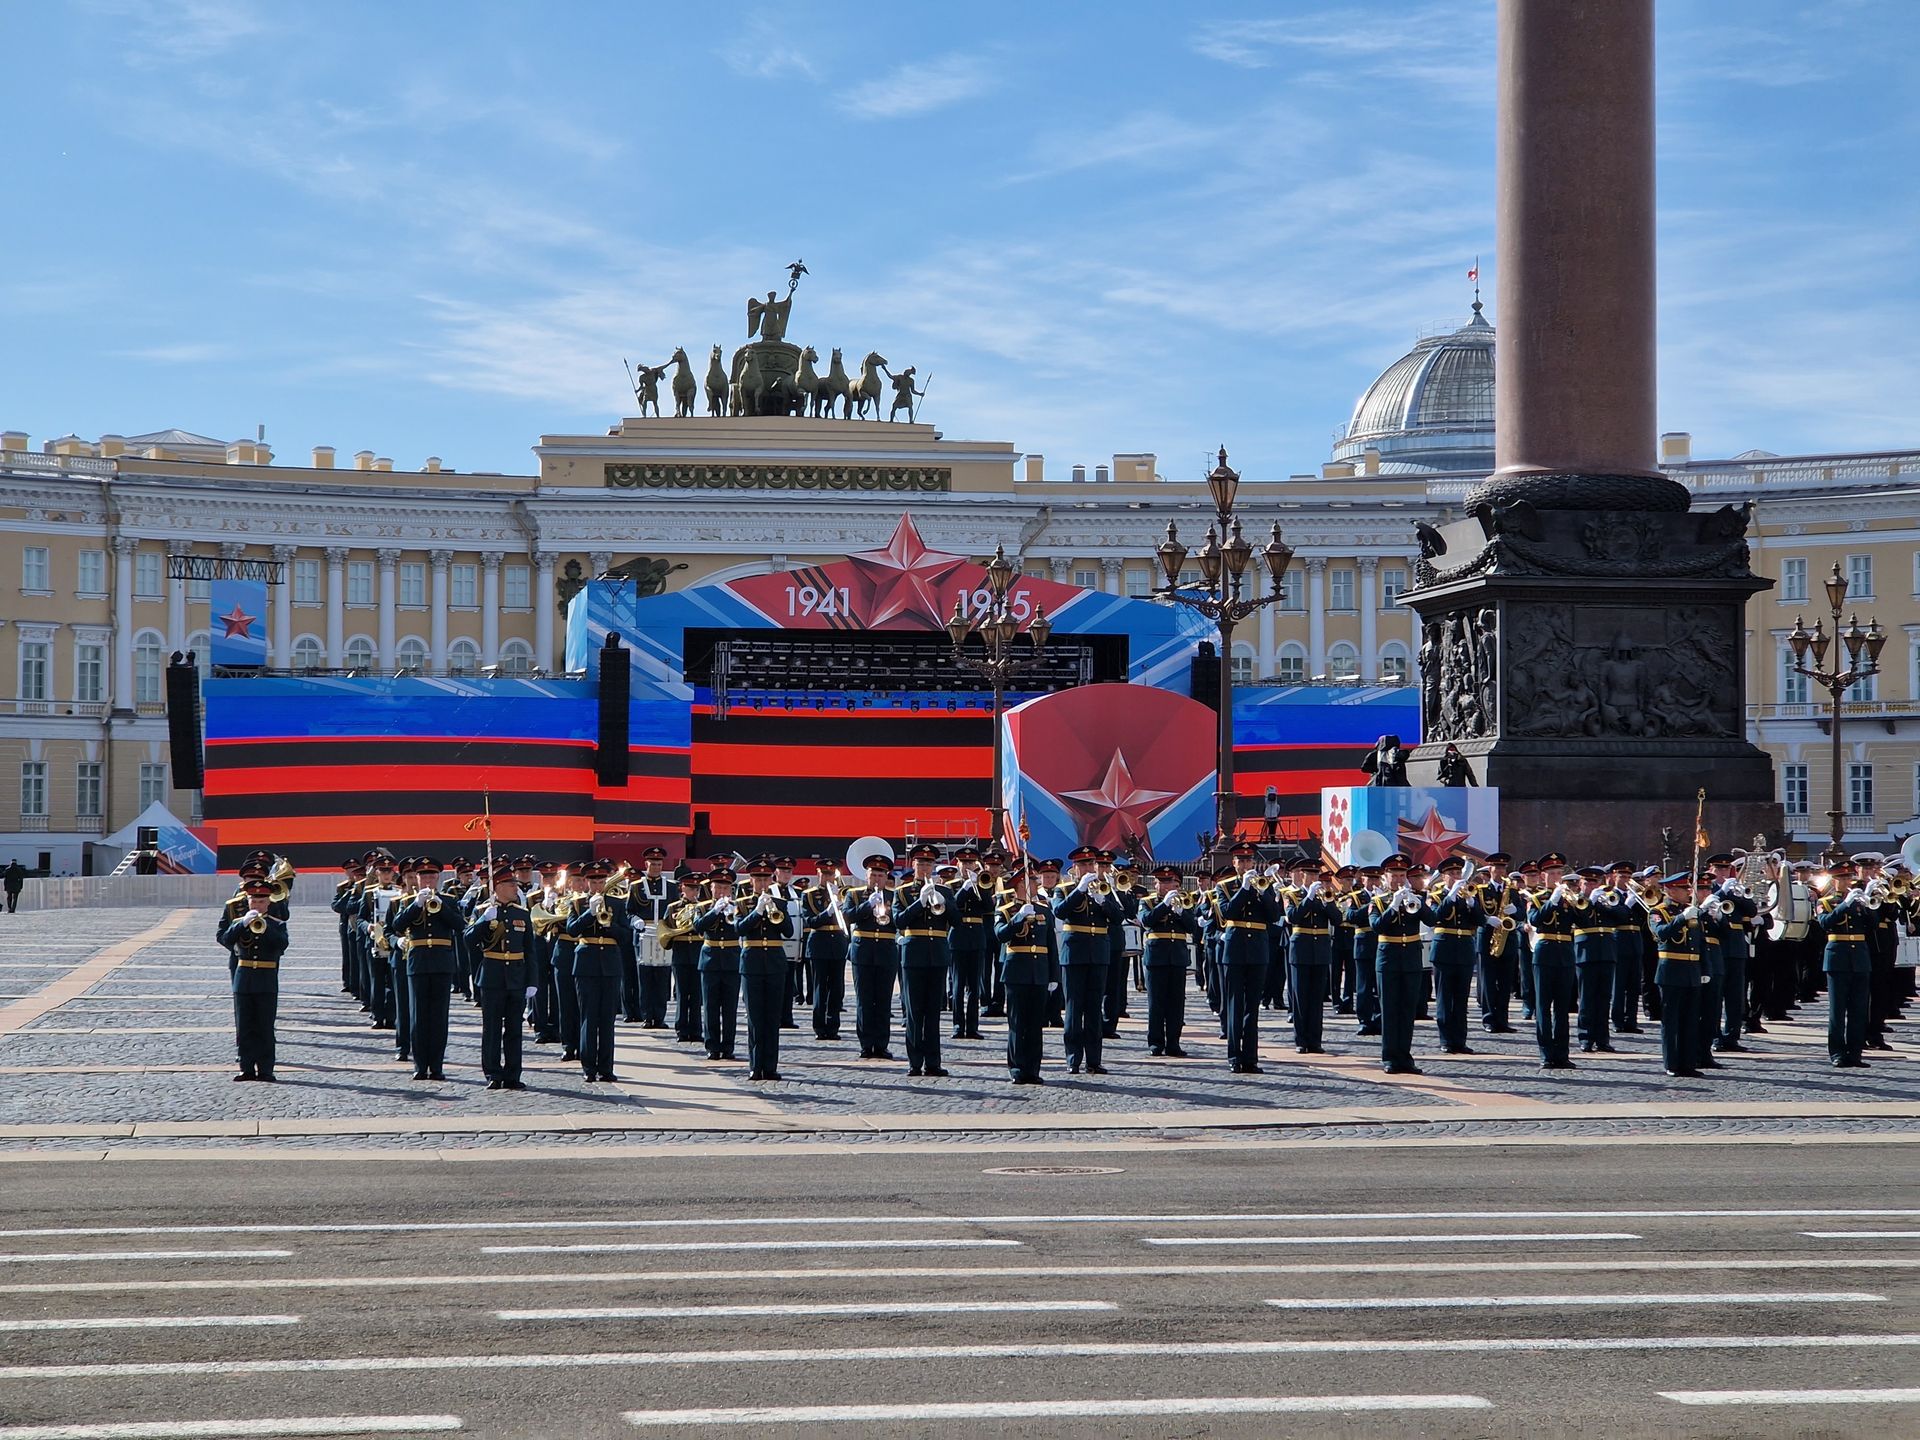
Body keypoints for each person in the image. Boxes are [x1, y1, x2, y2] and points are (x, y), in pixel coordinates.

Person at [1053, 846, 1124, 1074]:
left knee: (1094, 1008)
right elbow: (1060, 912)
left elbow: (1119, 917)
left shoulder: (1105, 889)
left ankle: (1094, 1060)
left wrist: (1103, 901)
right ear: (1074, 868)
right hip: (1075, 953)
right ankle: (1073, 1058)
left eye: (1090, 864)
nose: (1087, 868)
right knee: (1074, 1007)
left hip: (1099, 952)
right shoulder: (1064, 889)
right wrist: (1079, 891)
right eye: (1082, 864)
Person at [390, 857, 460, 1081]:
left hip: (442, 962)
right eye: (424, 876)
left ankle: (437, 1065)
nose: (428, 880)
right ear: (417, 879)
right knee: (418, 1016)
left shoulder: (449, 900)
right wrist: (416, 905)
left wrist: (439, 906)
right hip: (418, 962)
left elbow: (459, 925)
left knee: (439, 1017)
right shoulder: (408, 901)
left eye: (432, 876)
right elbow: (397, 925)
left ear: (438, 878)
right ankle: (420, 1065)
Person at [1216, 844, 1280, 1073]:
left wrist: (1264, 895)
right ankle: (1234, 1056)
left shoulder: (1265, 886)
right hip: (1235, 950)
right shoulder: (1224, 887)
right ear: (1234, 863)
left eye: (1248, 861)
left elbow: (1274, 916)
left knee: (1253, 1007)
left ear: (1254, 863)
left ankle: (1251, 1057)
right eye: (1240, 861)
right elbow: (1227, 914)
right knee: (1235, 1004)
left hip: (1258, 949)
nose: (1245, 865)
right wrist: (1243, 889)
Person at [468, 864, 532, 1090]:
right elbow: (468, 940)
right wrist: (483, 921)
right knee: (492, 1029)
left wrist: (531, 981)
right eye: (510, 884)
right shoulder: (483, 910)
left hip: (516, 975)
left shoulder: (522, 913)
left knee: (515, 1028)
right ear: (497, 887)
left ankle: (513, 1073)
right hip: (493, 976)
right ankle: (493, 1072)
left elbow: (529, 950)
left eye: (515, 883)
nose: (516, 887)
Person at [218, 878, 287, 1082]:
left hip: (266, 980)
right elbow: (224, 939)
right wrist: (243, 924)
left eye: (261, 901)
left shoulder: (277, 924)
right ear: (248, 901)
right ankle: (246, 1067)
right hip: (244, 979)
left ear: (268, 903)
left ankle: (266, 1068)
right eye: (254, 901)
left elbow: (282, 945)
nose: (257, 905)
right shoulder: (239, 923)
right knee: (244, 1025)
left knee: (265, 1026)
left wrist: (266, 928)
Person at [1370, 854, 1435, 1073]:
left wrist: (1418, 902)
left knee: (1408, 1009)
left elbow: (1432, 920)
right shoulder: (1378, 901)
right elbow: (1377, 926)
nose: (1398, 880)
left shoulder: (1415, 898)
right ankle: (1389, 1057)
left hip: (1411, 959)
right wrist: (1393, 906)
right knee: (1389, 1009)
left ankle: (1405, 1057)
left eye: (1401, 875)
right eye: (1394, 876)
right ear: (1385, 878)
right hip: (1388, 957)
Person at [893, 844, 953, 1077]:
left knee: (933, 1012)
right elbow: (898, 921)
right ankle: (915, 1062)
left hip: (937, 954)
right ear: (913, 865)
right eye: (921, 863)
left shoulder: (944, 892)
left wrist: (943, 901)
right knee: (915, 1011)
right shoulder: (903, 892)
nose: (925, 867)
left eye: (928, 863)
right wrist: (920, 902)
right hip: (914, 955)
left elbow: (956, 921)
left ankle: (933, 1062)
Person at [997, 864, 1059, 1083]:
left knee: (1035, 1025)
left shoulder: (1044, 911)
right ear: (1020, 885)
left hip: (1039, 973)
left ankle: (1033, 1069)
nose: (1036, 884)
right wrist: (1017, 918)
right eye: (1031, 881)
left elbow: (1051, 945)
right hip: (1016, 973)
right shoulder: (1006, 910)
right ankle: (1016, 1068)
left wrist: (1053, 976)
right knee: (1017, 1023)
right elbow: (1001, 935)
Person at [565, 861, 625, 1082]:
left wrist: (612, 927)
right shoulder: (578, 903)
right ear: (586, 883)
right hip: (586, 963)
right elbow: (571, 930)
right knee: (589, 1017)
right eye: (594, 882)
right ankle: (589, 1067)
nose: (598, 886)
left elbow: (626, 936)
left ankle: (606, 1067)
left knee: (607, 1019)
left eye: (601, 881)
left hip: (610, 964)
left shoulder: (617, 904)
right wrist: (589, 913)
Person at [843, 854, 900, 1060]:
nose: (877, 879)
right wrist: (868, 905)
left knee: (884, 1000)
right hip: (863, 950)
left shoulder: (894, 896)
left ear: (886, 877)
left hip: (886, 949)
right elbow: (847, 916)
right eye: (873, 874)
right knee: (865, 1000)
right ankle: (866, 1044)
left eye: (880, 875)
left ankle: (882, 1044)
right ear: (866, 876)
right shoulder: (854, 894)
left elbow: (900, 922)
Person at [1816, 864, 1873, 1068]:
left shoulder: (1859, 903)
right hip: (1837, 958)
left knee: (1859, 1010)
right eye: (1844, 878)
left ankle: (1855, 1053)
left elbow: (1873, 926)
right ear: (1834, 881)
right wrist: (1845, 905)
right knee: (1838, 1010)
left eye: (1849, 878)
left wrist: (1867, 905)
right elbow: (1825, 922)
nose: (1849, 882)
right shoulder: (1825, 902)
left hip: (1860, 958)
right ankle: (1837, 1052)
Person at [1527, 854, 1579, 1070]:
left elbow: (1583, 921)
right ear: (1543, 876)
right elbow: (1536, 921)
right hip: (1545, 952)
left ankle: (1562, 1053)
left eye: (1559, 873)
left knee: (1562, 1007)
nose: (1557, 877)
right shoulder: (1536, 898)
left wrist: (1580, 902)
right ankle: (1546, 1053)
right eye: (1552, 873)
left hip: (1565, 952)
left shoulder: (1569, 898)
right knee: (1543, 1006)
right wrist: (1553, 900)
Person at [1650, 872, 1704, 1077]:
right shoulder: (1658, 911)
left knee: (1690, 1021)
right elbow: (1661, 933)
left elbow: (1701, 943)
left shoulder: (1691, 911)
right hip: (1671, 972)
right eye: (1684, 889)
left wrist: (1704, 970)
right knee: (1671, 1021)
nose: (1689, 892)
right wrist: (1681, 919)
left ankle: (1688, 1063)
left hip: (1691, 971)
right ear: (1672, 890)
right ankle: (1672, 1063)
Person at [1428, 856, 1483, 1054]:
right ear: (1444, 877)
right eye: (1451, 874)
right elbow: (1435, 917)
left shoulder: (1466, 896)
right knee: (1445, 997)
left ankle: (1460, 1040)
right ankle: (1446, 1039)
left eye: (1458, 873)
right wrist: (1450, 895)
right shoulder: (1436, 896)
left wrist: (1471, 903)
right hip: (1444, 950)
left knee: (1461, 999)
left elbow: (1480, 920)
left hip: (1465, 950)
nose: (1456, 877)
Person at [1139, 867, 1196, 1056]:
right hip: (1157, 957)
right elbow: (1147, 920)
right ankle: (1155, 1042)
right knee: (1156, 1002)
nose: (1165, 886)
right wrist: (1164, 904)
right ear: (1155, 884)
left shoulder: (1184, 903)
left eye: (1169, 882)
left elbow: (1193, 927)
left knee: (1176, 1003)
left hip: (1177, 956)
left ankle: (1173, 1042)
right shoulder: (1147, 902)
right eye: (1161, 882)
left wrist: (1181, 912)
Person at [693, 867, 746, 1063]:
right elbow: (698, 926)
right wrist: (715, 912)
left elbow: (743, 930)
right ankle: (712, 1046)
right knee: (711, 1006)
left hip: (732, 959)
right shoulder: (704, 907)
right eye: (718, 887)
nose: (722, 892)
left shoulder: (739, 907)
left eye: (726, 888)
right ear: (712, 888)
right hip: (710, 960)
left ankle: (728, 1046)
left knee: (730, 1007)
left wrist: (733, 915)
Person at [802, 858, 850, 1040]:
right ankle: (819, 1027)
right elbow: (810, 921)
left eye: (831, 874)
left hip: (837, 942)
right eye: (825, 874)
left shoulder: (843, 894)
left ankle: (833, 1026)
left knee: (836, 988)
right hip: (819, 942)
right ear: (818, 874)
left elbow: (849, 918)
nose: (828, 877)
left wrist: (840, 902)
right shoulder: (809, 895)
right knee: (820, 987)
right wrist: (828, 912)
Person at [660, 871, 707, 1044]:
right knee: (682, 992)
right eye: (691, 888)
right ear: (682, 888)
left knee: (696, 994)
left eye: (697, 889)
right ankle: (681, 1029)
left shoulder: (704, 907)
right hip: (680, 952)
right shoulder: (673, 908)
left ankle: (696, 1029)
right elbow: (666, 929)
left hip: (697, 950)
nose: (694, 892)